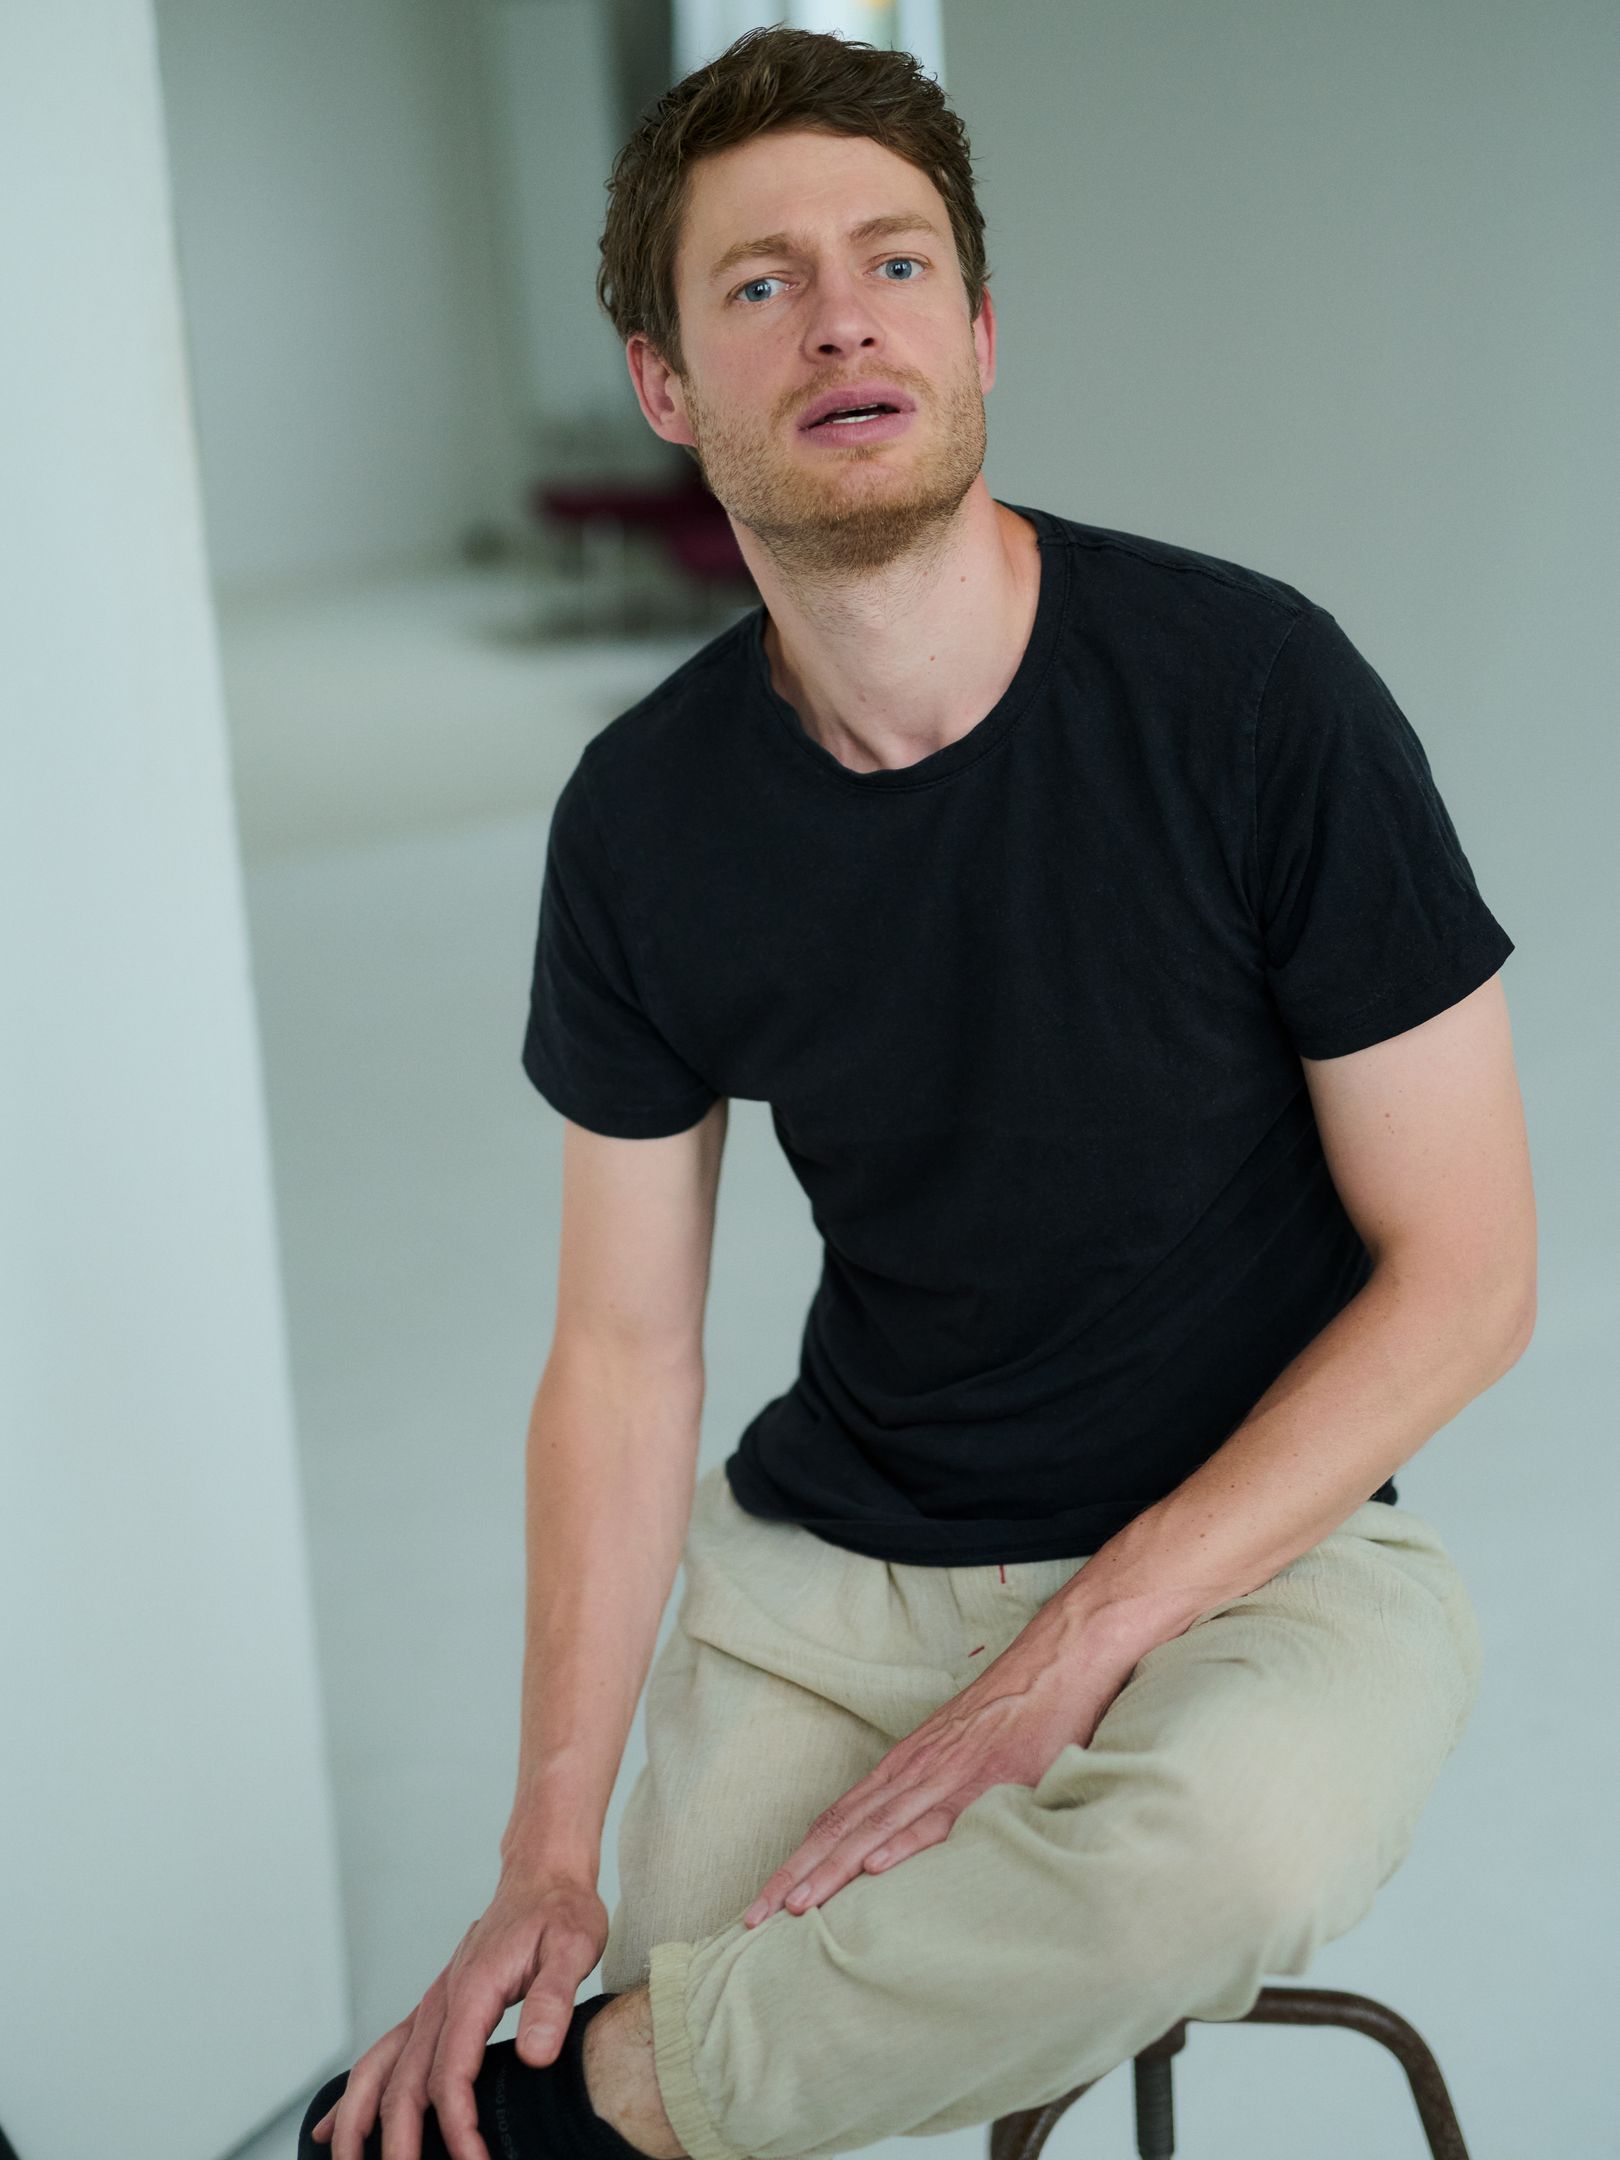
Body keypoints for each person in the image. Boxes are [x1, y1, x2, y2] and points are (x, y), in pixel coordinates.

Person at [301, 24, 1535, 2160]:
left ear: (976, 332)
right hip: (837, 1581)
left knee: (1198, 1866)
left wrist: (1074, 1654)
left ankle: (598, 2107)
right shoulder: (643, 821)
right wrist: (543, 1854)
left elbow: (1472, 1275)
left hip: (1265, 1551)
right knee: (674, 1982)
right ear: (665, 385)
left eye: (894, 262)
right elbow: (621, 1355)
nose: (841, 316)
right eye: (759, 281)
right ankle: (619, 2082)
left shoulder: (1261, 698)